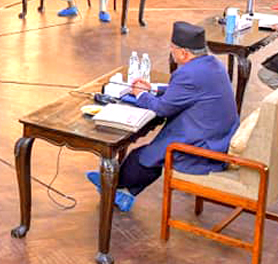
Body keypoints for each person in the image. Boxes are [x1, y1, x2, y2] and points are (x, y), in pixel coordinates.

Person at [86, 21, 239, 211]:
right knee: (153, 152)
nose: (171, 52)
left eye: (173, 48)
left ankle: (111, 185)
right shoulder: (213, 64)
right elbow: (187, 91)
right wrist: (153, 88)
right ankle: (126, 193)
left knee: (144, 157)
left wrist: (140, 95)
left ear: (184, 53)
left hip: (203, 147)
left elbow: (163, 109)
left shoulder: (188, 73)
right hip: (218, 136)